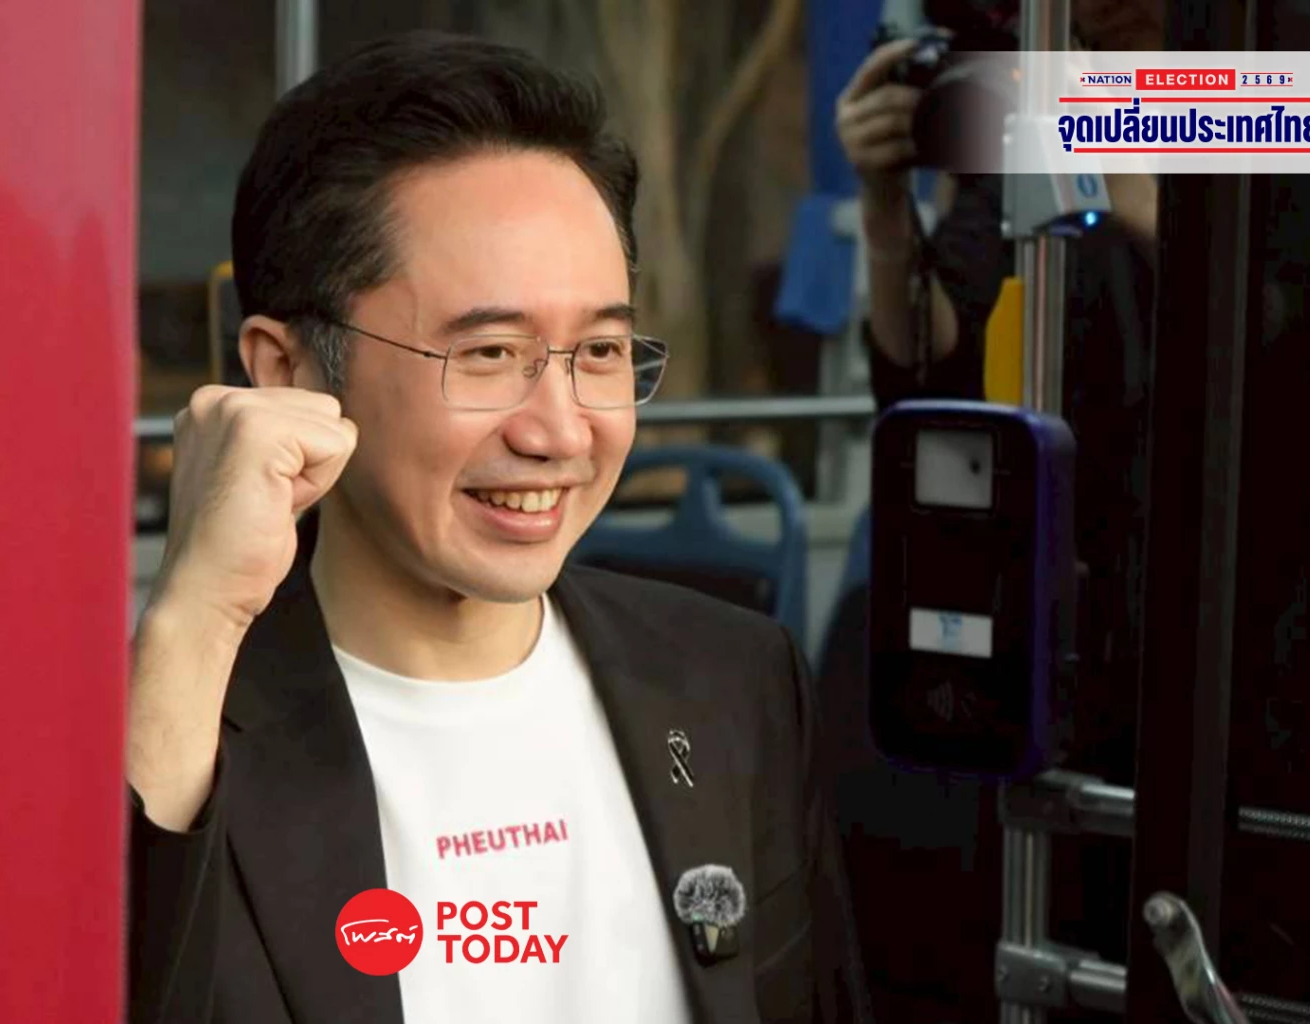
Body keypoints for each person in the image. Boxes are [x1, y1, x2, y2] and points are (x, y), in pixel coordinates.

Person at [126, 31, 871, 1024]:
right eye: (486, 354)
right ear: (287, 371)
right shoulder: (167, 733)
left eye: (599, 350)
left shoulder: (734, 682)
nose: (558, 431)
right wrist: (195, 620)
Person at [829, 0, 1163, 1002]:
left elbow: (1291, 330)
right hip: (1047, 600)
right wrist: (885, 204)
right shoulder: (1026, 112)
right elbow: (929, 365)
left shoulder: (1276, 95)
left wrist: (1128, 173)